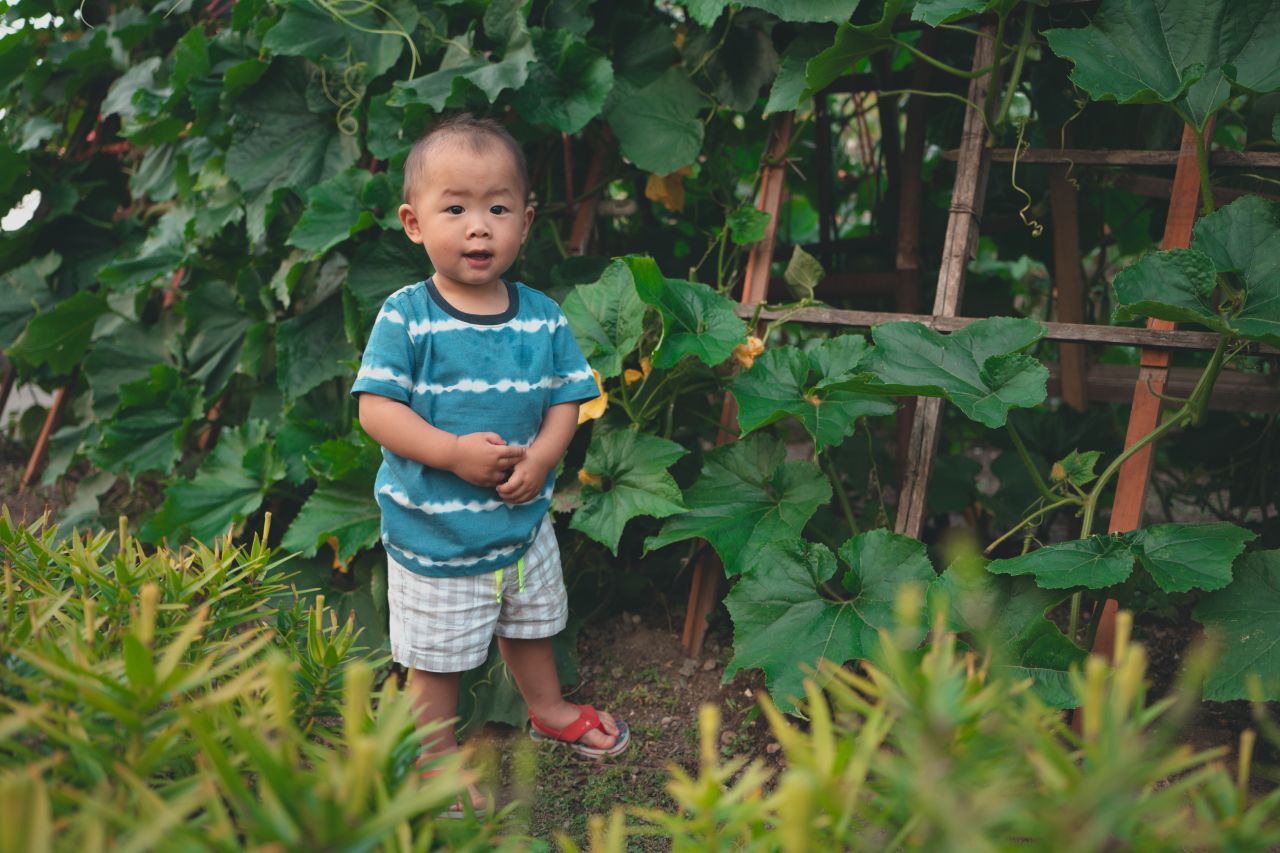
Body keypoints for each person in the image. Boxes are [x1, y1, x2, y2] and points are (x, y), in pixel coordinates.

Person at [351, 114, 629, 817]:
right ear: (414, 223)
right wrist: (449, 453)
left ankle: (548, 707)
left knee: (532, 623)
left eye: (498, 208)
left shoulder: (542, 319)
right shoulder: (406, 316)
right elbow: (376, 411)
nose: (479, 227)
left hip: (522, 525)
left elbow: (569, 399)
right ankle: (434, 760)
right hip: (437, 537)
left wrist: (541, 457)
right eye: (457, 208)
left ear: (526, 221)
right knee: (437, 662)